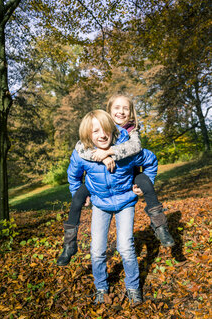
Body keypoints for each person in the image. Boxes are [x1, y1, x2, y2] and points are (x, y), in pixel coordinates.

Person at [57, 93, 174, 267]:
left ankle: (159, 225)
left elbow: (136, 148)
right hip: (98, 181)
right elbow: (81, 148)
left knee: (145, 181)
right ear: (108, 113)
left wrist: (110, 152)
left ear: (131, 112)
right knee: (77, 197)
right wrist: (102, 157)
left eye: (125, 108)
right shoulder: (101, 129)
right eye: (116, 108)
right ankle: (69, 243)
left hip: (128, 176)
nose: (121, 112)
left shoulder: (132, 131)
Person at [67, 110, 158, 305]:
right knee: (97, 249)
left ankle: (133, 287)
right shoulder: (83, 155)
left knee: (125, 246)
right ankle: (101, 287)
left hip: (125, 202)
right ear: (87, 135)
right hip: (100, 205)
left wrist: (144, 183)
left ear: (112, 129)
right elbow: (74, 176)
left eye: (105, 129)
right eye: (95, 131)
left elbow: (150, 161)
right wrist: (78, 194)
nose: (102, 135)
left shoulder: (127, 150)